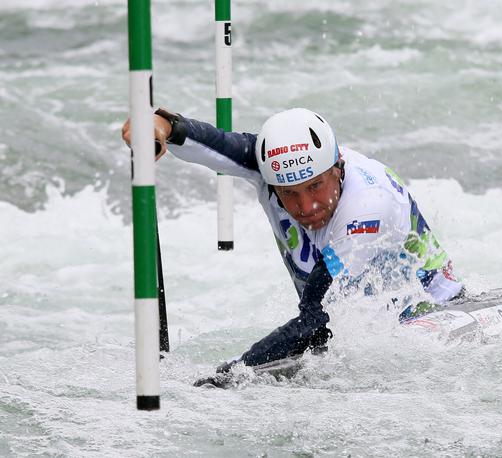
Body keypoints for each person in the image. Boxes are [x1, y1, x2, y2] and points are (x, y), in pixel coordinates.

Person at [121, 107, 465, 378]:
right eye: (289, 194)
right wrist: (161, 125)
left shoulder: (368, 205)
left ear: (337, 167)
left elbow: (316, 317)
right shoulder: (268, 170)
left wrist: (234, 371)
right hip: (355, 327)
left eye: (315, 187)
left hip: (434, 312)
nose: (306, 207)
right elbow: (216, 143)